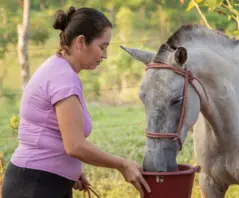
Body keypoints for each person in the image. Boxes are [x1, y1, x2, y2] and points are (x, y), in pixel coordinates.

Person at [1, 6, 151, 198]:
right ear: (81, 42)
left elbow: (54, 134)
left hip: (41, 181)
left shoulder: (58, 68)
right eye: (102, 47)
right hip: (34, 185)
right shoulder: (64, 78)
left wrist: (69, 169)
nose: (105, 55)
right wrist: (122, 164)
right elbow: (74, 145)